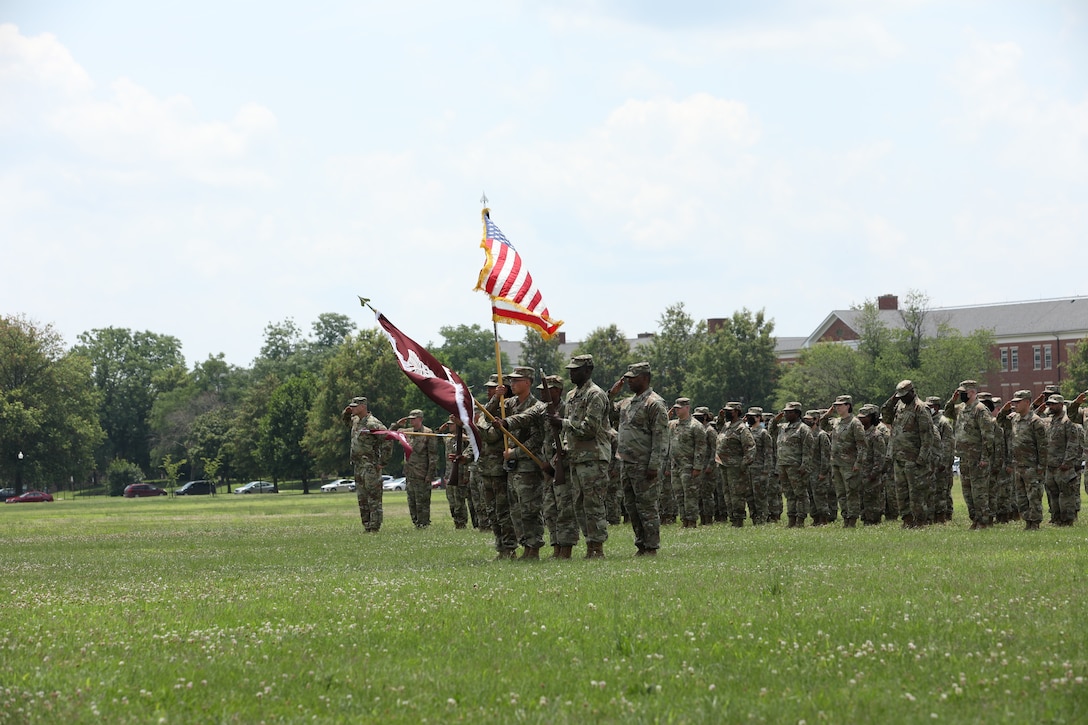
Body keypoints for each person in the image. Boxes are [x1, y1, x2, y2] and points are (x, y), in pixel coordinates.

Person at [553, 354, 612, 558]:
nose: (571, 372)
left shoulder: (595, 394)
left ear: (588, 370)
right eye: (570, 369)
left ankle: (596, 547)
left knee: (593, 503)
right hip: (576, 458)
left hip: (594, 457)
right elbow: (570, 429)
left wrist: (562, 423)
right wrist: (563, 447)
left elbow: (589, 428)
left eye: (576, 369)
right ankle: (590, 543)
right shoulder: (572, 395)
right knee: (579, 504)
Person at [610, 362, 669, 556]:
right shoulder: (627, 402)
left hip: (644, 464)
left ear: (644, 378)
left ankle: (651, 547)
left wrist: (654, 465)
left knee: (647, 506)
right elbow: (608, 413)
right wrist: (611, 395)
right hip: (627, 463)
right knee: (631, 507)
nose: (627, 381)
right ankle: (641, 544)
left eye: (632, 378)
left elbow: (660, 437)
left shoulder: (654, 403)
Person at [494, 366, 549, 558]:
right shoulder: (507, 404)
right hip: (512, 468)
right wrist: (495, 397)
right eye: (511, 381)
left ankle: (533, 547)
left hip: (528, 466)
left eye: (516, 381)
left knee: (530, 510)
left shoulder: (538, 407)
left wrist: (514, 453)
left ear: (528, 382)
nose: (512, 384)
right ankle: (524, 544)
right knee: (515, 510)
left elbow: (536, 440)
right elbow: (488, 416)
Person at [881, 380, 936, 528]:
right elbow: (886, 417)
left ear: (912, 392)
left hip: (914, 459)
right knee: (901, 492)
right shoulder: (899, 406)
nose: (902, 398)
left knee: (916, 493)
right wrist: (892, 400)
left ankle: (920, 521)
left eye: (904, 395)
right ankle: (907, 520)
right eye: (900, 396)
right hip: (899, 457)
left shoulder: (921, 409)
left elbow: (927, 436)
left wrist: (921, 458)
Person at [944, 380, 995, 529]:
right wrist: (952, 400)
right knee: (967, 491)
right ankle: (975, 519)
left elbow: (988, 436)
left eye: (963, 392)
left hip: (977, 458)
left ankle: (983, 521)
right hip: (964, 457)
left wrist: (985, 457)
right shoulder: (960, 408)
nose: (960, 395)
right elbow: (947, 412)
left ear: (972, 392)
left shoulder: (980, 410)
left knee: (979, 491)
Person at [478, 375, 518, 558]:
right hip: (487, 468)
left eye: (493, 388)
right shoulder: (491, 408)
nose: (489, 391)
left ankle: (509, 548)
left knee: (503, 511)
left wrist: (496, 401)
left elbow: (491, 435)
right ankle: (500, 547)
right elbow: (481, 423)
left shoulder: (507, 407)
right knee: (491, 512)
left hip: (500, 468)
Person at [996, 390, 1048, 530]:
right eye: (1014, 402)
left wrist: (1041, 466)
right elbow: (1000, 421)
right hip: (1018, 466)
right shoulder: (1015, 419)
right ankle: (1027, 521)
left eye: (1018, 402)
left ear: (1027, 402)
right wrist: (1003, 410)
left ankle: (1035, 522)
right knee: (1021, 497)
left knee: (1034, 496)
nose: (1015, 404)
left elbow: (1043, 446)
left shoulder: (1035, 421)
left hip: (1032, 466)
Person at [342, 396, 392, 532]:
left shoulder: (373, 423)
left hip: (370, 466)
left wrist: (383, 462)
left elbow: (388, 439)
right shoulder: (356, 421)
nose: (352, 408)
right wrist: (346, 413)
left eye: (354, 406)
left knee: (373, 497)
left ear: (363, 407)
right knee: (362, 497)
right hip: (358, 465)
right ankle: (367, 525)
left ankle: (375, 526)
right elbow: (347, 423)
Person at [821, 395, 865, 528]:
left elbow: (862, 446)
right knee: (840, 493)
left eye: (840, 405)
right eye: (836, 405)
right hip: (836, 463)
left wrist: (858, 463)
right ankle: (845, 517)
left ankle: (852, 520)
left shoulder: (855, 423)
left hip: (850, 464)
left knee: (851, 492)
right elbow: (822, 424)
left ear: (848, 406)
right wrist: (829, 412)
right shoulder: (836, 422)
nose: (838, 407)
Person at [392, 409, 439, 528]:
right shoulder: (407, 432)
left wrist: (430, 474)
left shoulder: (428, 433)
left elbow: (433, 456)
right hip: (410, 473)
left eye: (414, 418)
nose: (411, 421)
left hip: (422, 474)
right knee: (411, 501)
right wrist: (397, 424)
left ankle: (424, 524)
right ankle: (416, 522)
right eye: (410, 419)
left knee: (422, 501)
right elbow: (390, 433)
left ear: (420, 419)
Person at [770, 402, 814, 527]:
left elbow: (808, 449)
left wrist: (804, 466)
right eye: (785, 412)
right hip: (783, 465)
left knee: (800, 494)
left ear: (797, 414)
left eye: (790, 412)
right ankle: (791, 520)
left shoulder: (803, 429)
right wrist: (775, 419)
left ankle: (800, 520)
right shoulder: (783, 427)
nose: (786, 414)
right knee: (789, 494)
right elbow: (770, 430)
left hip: (797, 466)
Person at [1043, 394, 1083, 526]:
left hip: (1063, 466)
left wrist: (1067, 462)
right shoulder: (1050, 421)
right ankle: (1056, 518)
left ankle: (1067, 520)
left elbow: (1073, 443)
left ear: (1061, 405)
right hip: (1050, 465)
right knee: (1053, 493)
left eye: (1054, 404)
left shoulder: (1068, 421)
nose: (1051, 406)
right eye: (1050, 404)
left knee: (1066, 494)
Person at [715, 402, 755, 527]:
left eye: (729, 411)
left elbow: (750, 448)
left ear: (737, 412)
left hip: (736, 467)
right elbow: (719, 428)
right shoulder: (727, 426)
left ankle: (738, 519)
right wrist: (721, 417)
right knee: (727, 494)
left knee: (737, 494)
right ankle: (732, 518)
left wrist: (744, 464)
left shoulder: (742, 428)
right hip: (724, 465)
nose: (727, 413)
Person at [669, 398, 706, 528]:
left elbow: (700, 448)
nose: (676, 410)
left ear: (687, 408)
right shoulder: (673, 425)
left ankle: (692, 521)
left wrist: (697, 467)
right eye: (675, 408)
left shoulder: (696, 426)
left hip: (689, 466)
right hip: (676, 466)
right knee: (679, 495)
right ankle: (684, 520)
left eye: (679, 408)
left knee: (690, 495)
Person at [857, 404, 888, 526]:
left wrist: (874, 473)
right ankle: (866, 519)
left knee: (873, 498)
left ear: (870, 418)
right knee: (864, 498)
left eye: (863, 417)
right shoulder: (860, 434)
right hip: (861, 473)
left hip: (872, 474)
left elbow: (880, 457)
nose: (860, 419)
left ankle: (874, 521)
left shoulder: (876, 435)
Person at [926, 396, 956, 523]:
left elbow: (948, 443)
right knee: (931, 490)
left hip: (941, 463)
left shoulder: (943, 422)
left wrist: (943, 463)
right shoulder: (927, 421)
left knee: (942, 490)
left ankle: (943, 516)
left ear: (937, 407)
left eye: (931, 407)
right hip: (930, 462)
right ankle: (932, 515)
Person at [439, 415, 470, 529]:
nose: (449, 426)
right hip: (449, 473)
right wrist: (440, 430)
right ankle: (455, 520)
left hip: (460, 473)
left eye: (451, 424)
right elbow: (435, 438)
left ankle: (461, 522)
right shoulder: (448, 438)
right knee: (451, 499)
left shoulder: (464, 439)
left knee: (459, 500)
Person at [747, 408, 773, 525]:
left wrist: (766, 471)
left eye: (752, 416)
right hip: (748, 469)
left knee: (760, 496)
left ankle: (762, 519)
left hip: (759, 469)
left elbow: (768, 454)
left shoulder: (763, 433)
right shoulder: (747, 431)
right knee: (750, 496)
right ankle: (754, 519)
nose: (749, 418)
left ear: (758, 417)